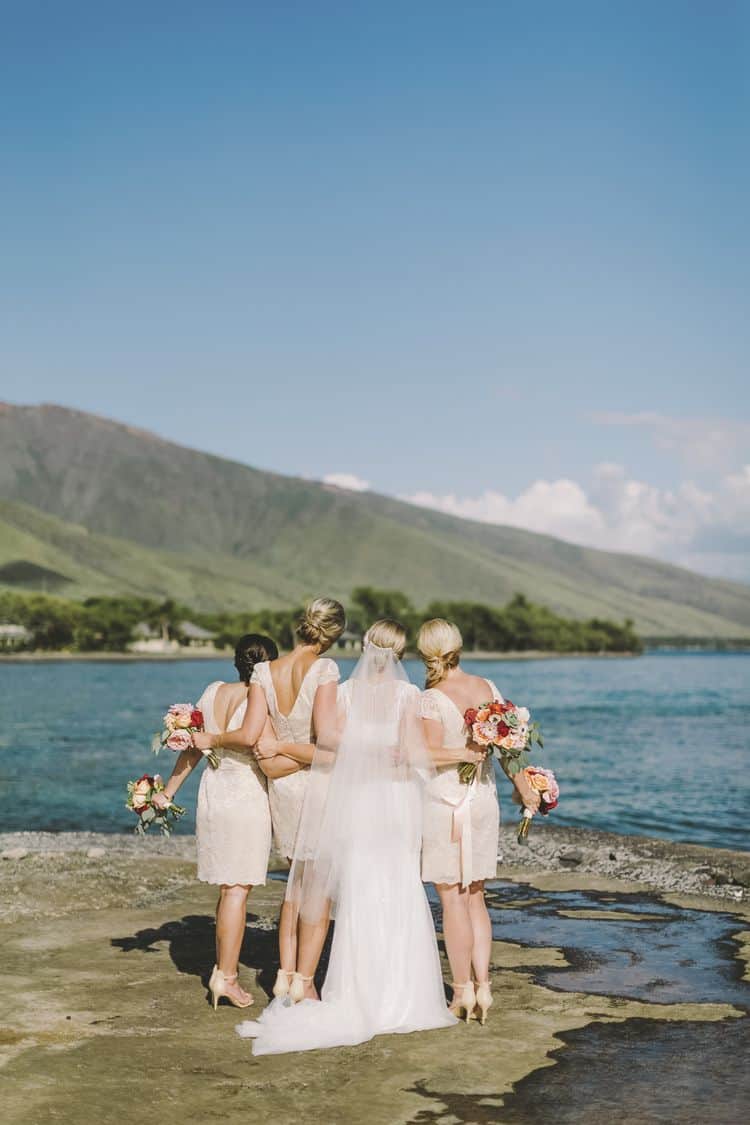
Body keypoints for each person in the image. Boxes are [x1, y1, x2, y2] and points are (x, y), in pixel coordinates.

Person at [236, 619, 456, 1054]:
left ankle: (355, 992)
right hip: (396, 801)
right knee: (398, 885)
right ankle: (404, 995)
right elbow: (414, 754)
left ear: (366, 646)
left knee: (359, 889)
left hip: (357, 799)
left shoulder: (345, 694)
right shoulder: (409, 695)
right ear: (400, 652)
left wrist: (363, 752)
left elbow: (333, 740)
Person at [193, 597, 344, 1002]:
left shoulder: (263, 672)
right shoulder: (325, 668)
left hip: (283, 788)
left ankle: (286, 975)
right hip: (315, 785)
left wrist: (277, 749)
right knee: (318, 891)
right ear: (333, 635)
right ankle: (305, 983)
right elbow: (329, 740)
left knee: (294, 886)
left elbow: (258, 739)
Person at [417, 618, 540, 1023]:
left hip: (446, 804)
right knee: (476, 897)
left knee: (452, 899)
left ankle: (462, 992)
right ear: (458, 646)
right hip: (483, 801)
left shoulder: (430, 699)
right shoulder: (487, 688)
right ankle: (484, 987)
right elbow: (509, 749)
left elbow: (428, 755)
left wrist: (462, 755)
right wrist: (524, 787)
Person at [153, 633, 278, 1009]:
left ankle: (224, 970)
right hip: (245, 797)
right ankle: (225, 976)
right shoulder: (261, 698)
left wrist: (169, 792)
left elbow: (193, 750)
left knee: (229, 889)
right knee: (237, 891)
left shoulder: (212, 693)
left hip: (213, 794)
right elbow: (254, 742)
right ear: (267, 666)